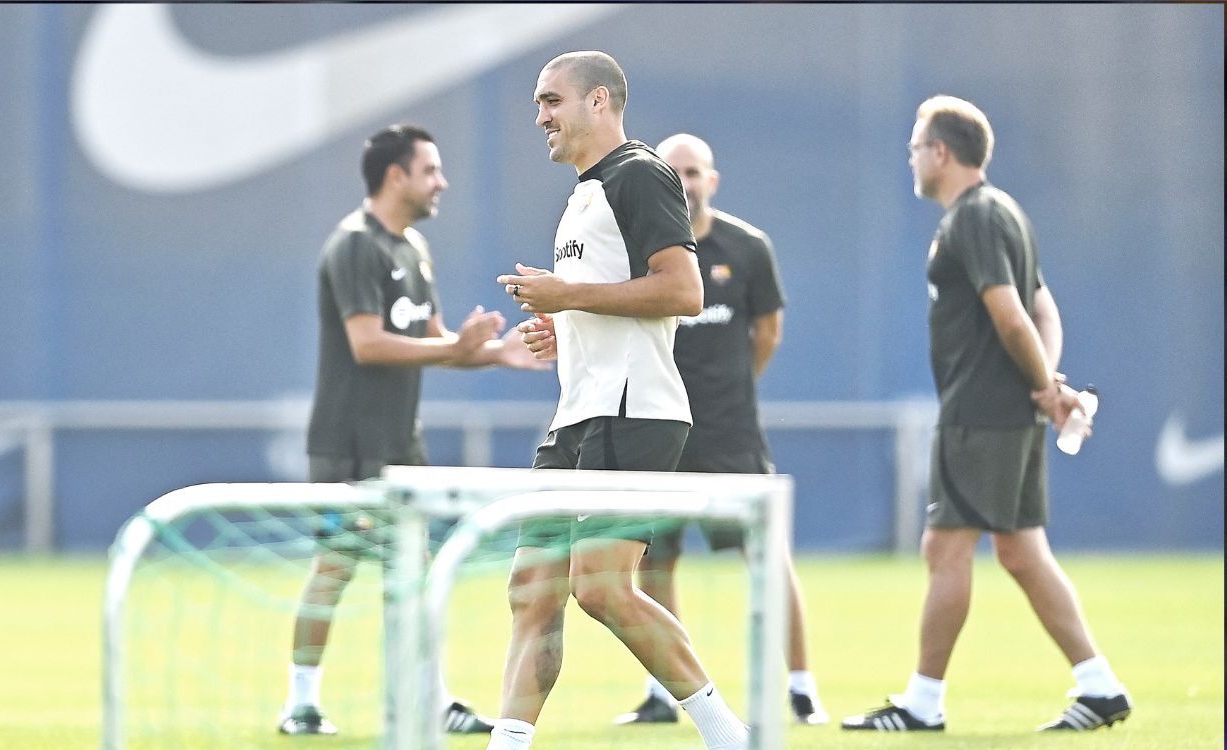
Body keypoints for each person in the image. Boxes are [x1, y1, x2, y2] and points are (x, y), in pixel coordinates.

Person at [484, 51, 750, 750]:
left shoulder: (641, 173)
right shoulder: (581, 193)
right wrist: (560, 326)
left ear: (598, 101)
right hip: (578, 412)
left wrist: (568, 296)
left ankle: (731, 736)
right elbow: (611, 301)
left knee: (601, 589)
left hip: (634, 412)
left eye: (551, 101)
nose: (539, 116)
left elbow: (684, 292)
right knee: (531, 589)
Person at [841, 96, 1132, 733]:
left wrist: (1043, 387)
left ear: (941, 153)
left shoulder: (971, 218)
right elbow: (1043, 310)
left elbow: (1010, 313)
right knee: (1023, 555)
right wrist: (1047, 386)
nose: (912, 159)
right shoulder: (1005, 211)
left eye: (917, 147)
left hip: (980, 416)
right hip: (1010, 414)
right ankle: (1101, 686)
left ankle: (922, 704)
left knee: (944, 550)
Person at [278, 124, 548, 736]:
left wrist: (497, 353)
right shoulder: (354, 245)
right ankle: (300, 701)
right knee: (336, 566)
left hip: (402, 444)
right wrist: (456, 348)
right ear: (396, 175)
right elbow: (368, 345)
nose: (441, 182)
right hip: (347, 443)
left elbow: (434, 345)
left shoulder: (413, 249)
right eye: (431, 170)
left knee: (419, 573)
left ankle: (432, 697)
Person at [610, 133, 827, 728]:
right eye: (673, 172)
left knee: (767, 557)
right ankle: (664, 694)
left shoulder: (748, 248)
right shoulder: (644, 251)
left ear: (714, 179)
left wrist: (732, 392)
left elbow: (769, 334)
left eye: (695, 171)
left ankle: (803, 688)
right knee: (653, 563)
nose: (685, 181)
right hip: (661, 431)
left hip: (731, 435)